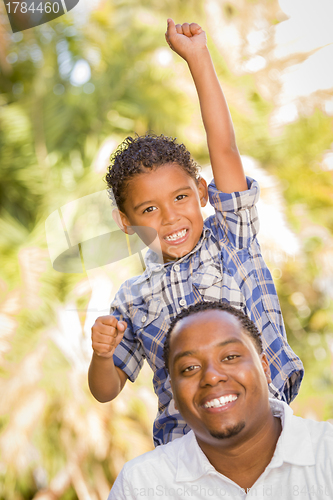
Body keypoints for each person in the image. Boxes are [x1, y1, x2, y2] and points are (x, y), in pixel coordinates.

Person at [88, 19, 303, 446]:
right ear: (125, 222)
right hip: (185, 454)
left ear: (202, 192)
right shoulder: (132, 298)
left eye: (180, 198)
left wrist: (198, 57)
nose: (170, 217)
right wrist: (101, 353)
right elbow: (105, 389)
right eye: (149, 208)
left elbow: (223, 147)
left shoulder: (233, 240)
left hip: (266, 434)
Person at [108, 302, 333, 500]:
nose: (212, 376)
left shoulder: (327, 453)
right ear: (173, 394)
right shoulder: (139, 485)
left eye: (230, 357)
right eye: (190, 368)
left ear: (265, 368)